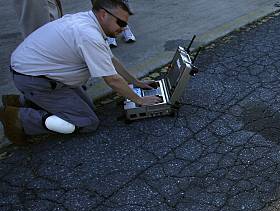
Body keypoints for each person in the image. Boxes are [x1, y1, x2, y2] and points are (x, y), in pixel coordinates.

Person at [0, 0, 161, 145]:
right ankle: (19, 119)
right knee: (86, 122)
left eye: (125, 24)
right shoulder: (88, 34)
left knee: (89, 107)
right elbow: (112, 80)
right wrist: (139, 101)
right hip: (34, 79)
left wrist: (136, 83)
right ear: (104, 14)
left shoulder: (88, 21)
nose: (123, 28)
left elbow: (111, 61)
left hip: (44, 76)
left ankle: (22, 101)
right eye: (120, 22)